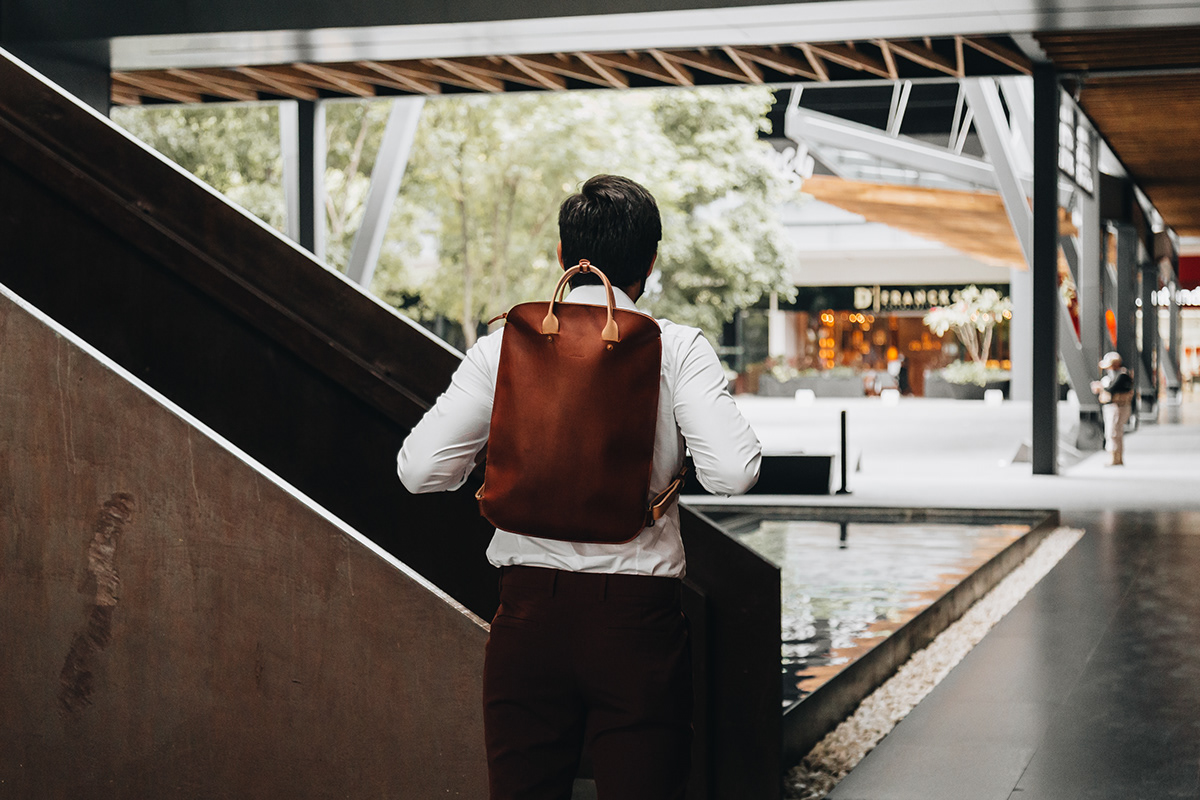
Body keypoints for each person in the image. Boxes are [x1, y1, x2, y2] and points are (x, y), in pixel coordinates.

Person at [397, 174, 762, 800]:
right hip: (637, 624)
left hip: (528, 617)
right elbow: (733, 472)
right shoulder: (676, 348)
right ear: (651, 259)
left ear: (564, 258)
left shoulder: (502, 348)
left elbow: (420, 470)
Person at [1090, 351, 1134, 466]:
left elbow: (1111, 389)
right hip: (1114, 407)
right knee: (1115, 432)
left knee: (1113, 432)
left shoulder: (1122, 376)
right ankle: (1117, 458)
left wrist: (1101, 387)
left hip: (1117, 407)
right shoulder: (1114, 376)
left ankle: (1115, 458)